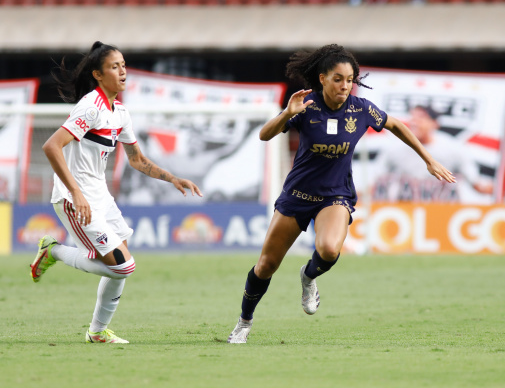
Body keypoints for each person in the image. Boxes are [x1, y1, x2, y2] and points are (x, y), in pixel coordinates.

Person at [227, 44, 456, 344]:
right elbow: (264, 135)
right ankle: (244, 322)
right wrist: (286, 113)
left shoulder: (361, 110)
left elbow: (396, 124)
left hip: (335, 196)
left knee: (329, 250)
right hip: (297, 195)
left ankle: (308, 277)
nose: (345, 85)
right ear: (322, 79)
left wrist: (428, 159)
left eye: (350, 79)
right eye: (338, 79)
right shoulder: (305, 105)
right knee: (266, 265)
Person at [30, 41, 202, 344]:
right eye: (114, 67)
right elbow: (51, 146)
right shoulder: (90, 107)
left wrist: (172, 178)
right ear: (98, 74)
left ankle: (97, 332)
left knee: (120, 263)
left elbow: (136, 159)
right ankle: (53, 251)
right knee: (124, 266)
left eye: (123, 65)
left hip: (100, 196)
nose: (122, 72)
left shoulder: (119, 112)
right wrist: (76, 193)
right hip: (75, 199)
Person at [378, 104, 493, 202]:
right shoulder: (395, 148)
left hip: (441, 209)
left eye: (421, 118)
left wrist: (490, 188)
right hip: (406, 208)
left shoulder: (453, 148)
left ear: (434, 123)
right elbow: (375, 179)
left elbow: (475, 181)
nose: (414, 122)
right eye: (412, 117)